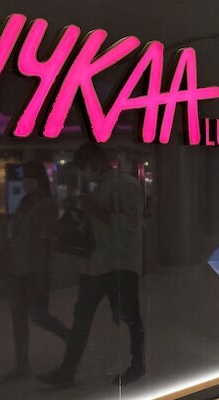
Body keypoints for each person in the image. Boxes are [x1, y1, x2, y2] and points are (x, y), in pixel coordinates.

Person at [39, 143, 145, 387]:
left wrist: (96, 211)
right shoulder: (104, 186)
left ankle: (137, 364)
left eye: (85, 167)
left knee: (129, 318)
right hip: (98, 264)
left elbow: (132, 226)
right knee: (83, 318)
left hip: (119, 265)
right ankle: (67, 371)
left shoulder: (126, 185)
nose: (84, 174)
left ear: (95, 162)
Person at [1, 162, 69, 381]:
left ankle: (73, 341)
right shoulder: (26, 202)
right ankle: (22, 364)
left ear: (38, 180)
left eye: (29, 178)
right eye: (24, 178)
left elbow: (47, 242)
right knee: (19, 317)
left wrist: (44, 272)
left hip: (34, 269)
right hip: (18, 267)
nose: (25, 182)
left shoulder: (44, 205)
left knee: (39, 316)